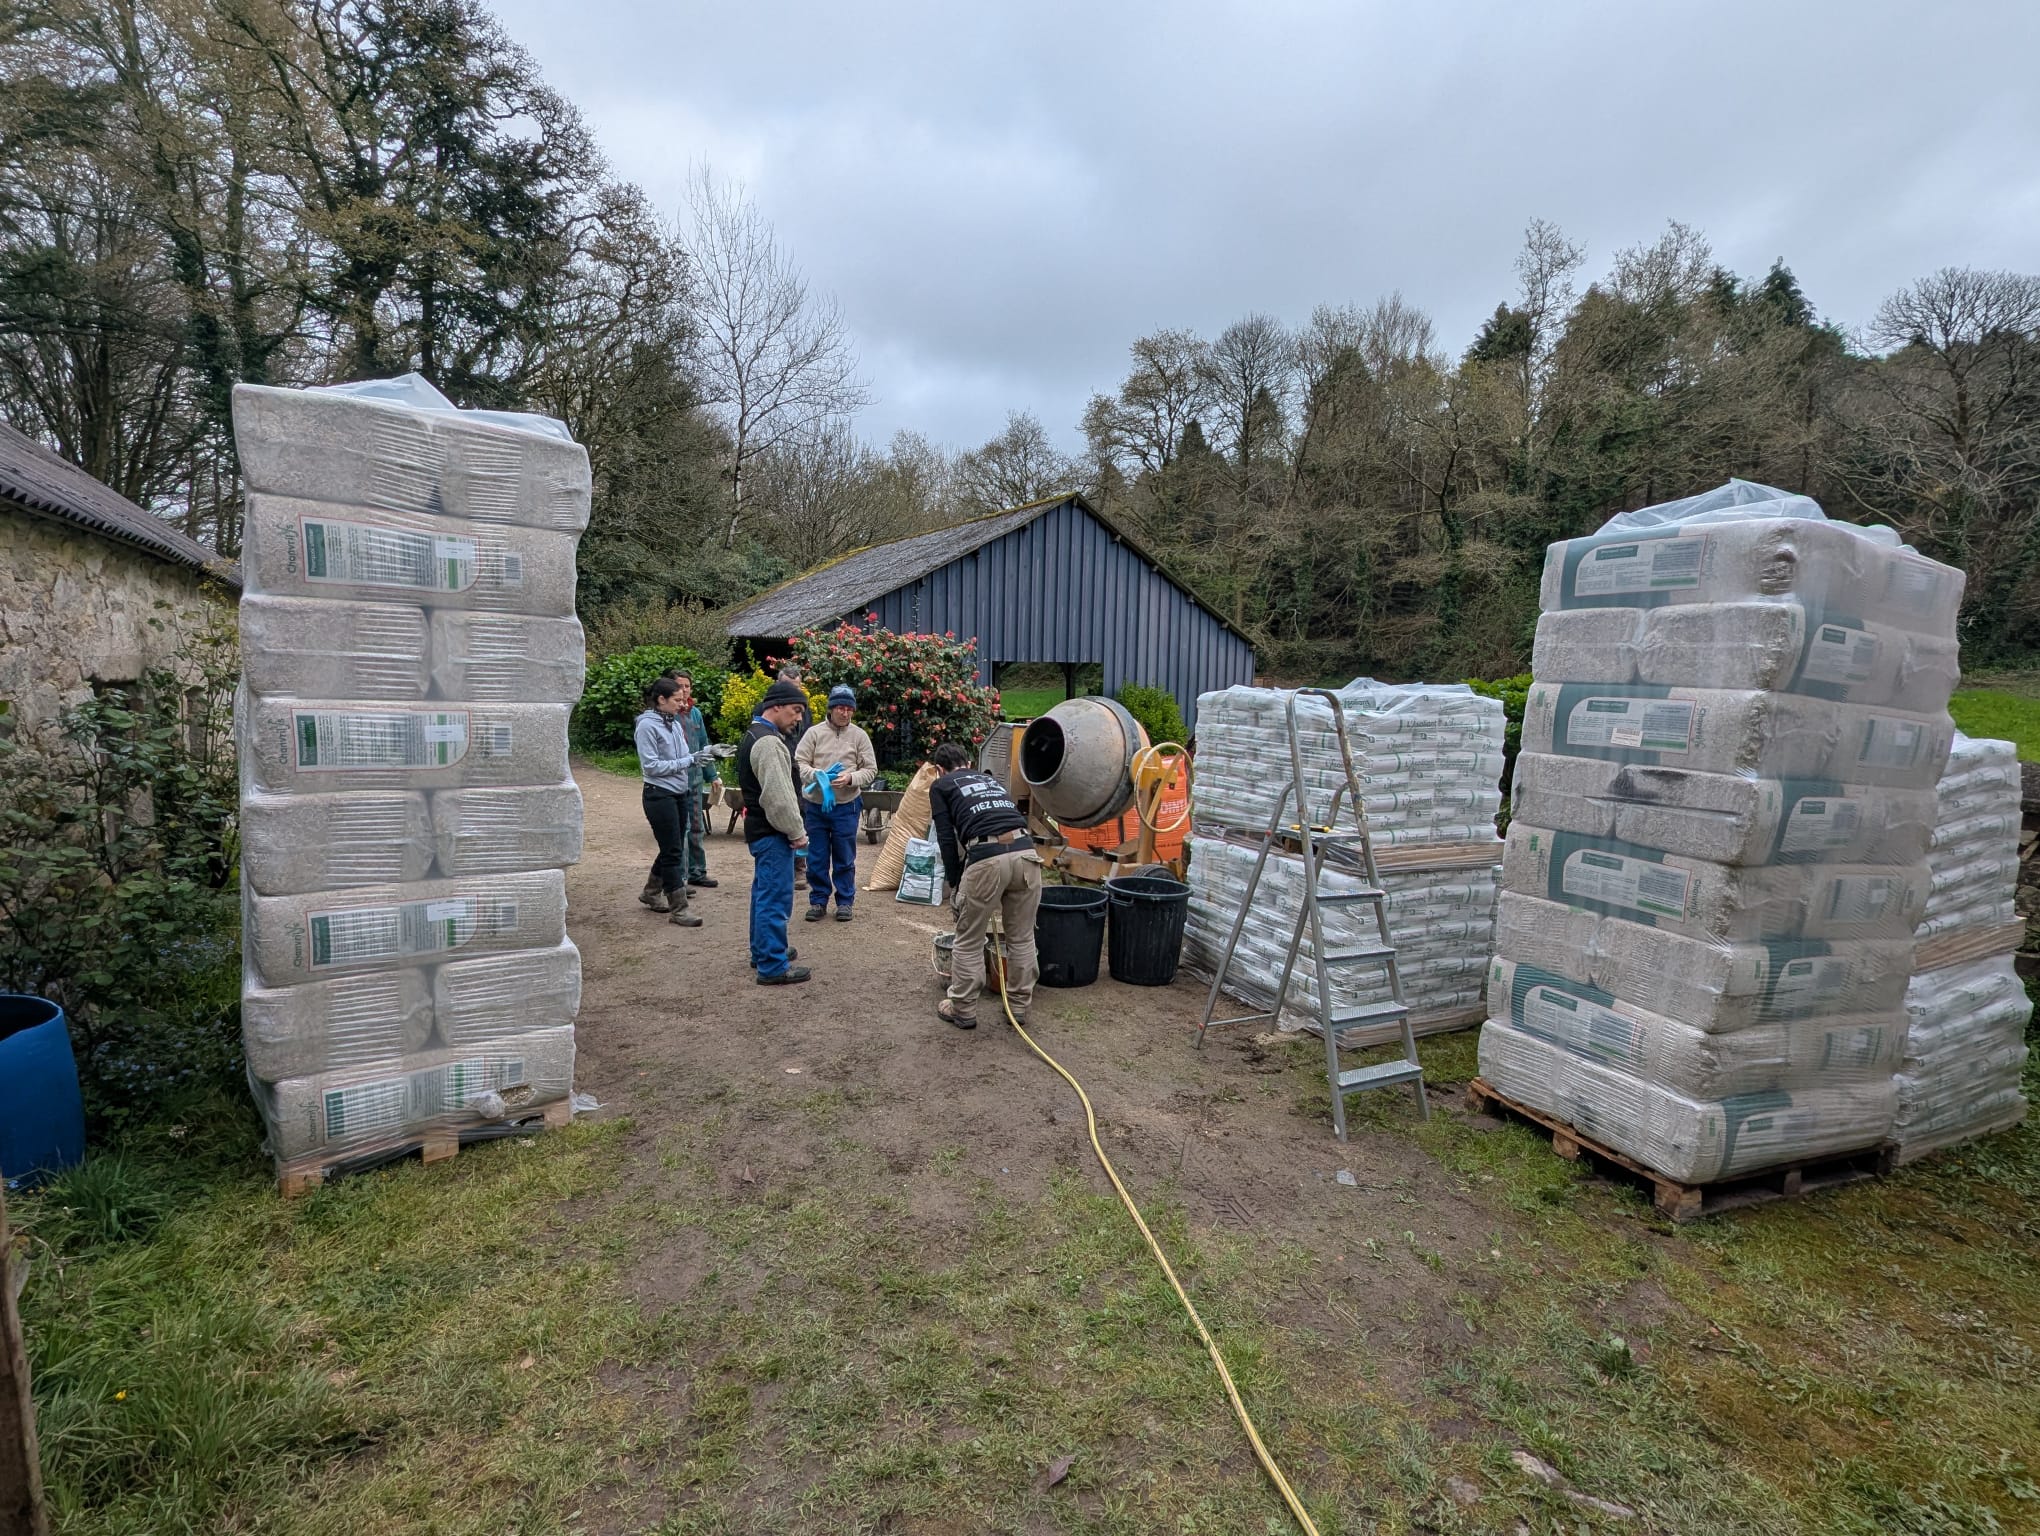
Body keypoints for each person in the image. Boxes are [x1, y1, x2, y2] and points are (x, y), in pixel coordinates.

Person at [927, 741, 1042, 1029]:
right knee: (1022, 937)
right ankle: (1018, 1008)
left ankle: (962, 1008)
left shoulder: (941, 786)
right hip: (1027, 854)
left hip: (987, 859)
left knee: (968, 938)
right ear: (967, 763)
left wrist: (955, 882)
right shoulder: (988, 779)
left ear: (939, 769)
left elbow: (946, 838)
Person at [737, 679, 813, 984]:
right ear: (775, 707)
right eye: (795, 711)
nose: (798, 718)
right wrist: (797, 832)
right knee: (775, 898)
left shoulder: (754, 734)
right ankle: (772, 965)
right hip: (772, 832)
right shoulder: (768, 742)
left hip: (760, 830)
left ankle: (764, 951)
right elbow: (778, 798)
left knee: (763, 894)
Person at [794, 684, 879, 922]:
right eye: (840, 708)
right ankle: (819, 900)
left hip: (847, 805)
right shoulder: (814, 733)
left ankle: (844, 902)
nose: (845, 713)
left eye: (849, 708)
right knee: (817, 856)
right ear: (831, 709)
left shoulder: (859, 736)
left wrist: (851, 778)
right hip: (816, 806)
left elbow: (871, 770)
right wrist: (818, 776)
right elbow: (799, 763)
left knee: (844, 856)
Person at [634, 677, 702, 927]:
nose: (681, 704)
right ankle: (679, 909)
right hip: (658, 794)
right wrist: (688, 762)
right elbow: (651, 766)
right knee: (673, 851)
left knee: (670, 846)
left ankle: (651, 892)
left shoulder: (672, 723)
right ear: (661, 700)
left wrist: (702, 756)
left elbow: (684, 755)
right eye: (676, 700)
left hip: (678, 792)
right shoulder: (646, 726)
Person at [667, 670, 718, 890]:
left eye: (687, 686)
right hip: (676, 781)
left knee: (697, 827)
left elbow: (704, 744)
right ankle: (682, 877)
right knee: (682, 829)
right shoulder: (667, 715)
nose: (684, 690)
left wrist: (713, 775)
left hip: (696, 779)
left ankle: (699, 871)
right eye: (679, 686)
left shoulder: (695, 713)